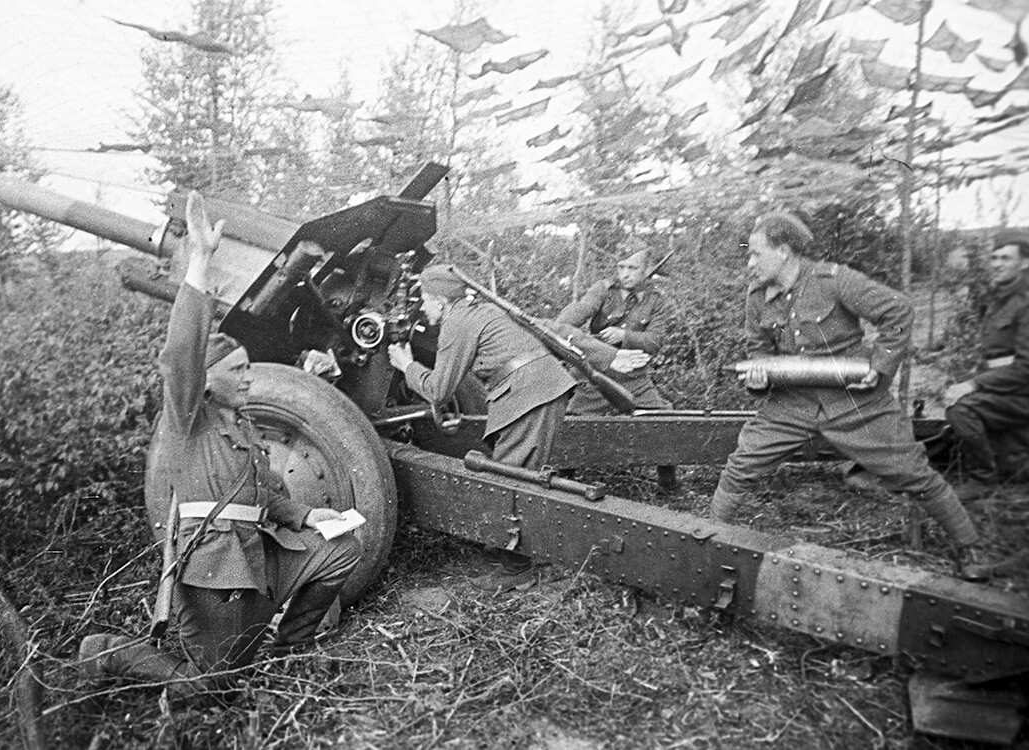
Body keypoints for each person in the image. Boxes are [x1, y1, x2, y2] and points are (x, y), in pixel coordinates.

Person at [77, 192, 360, 699]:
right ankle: (106, 651)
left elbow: (269, 494)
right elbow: (180, 353)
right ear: (207, 381)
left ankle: (292, 647)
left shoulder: (243, 426)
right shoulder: (190, 418)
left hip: (260, 555)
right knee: (214, 685)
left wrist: (307, 517)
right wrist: (200, 265)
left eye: (249, 368)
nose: (251, 379)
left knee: (340, 550)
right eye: (240, 371)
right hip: (214, 568)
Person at [708, 211, 994, 580]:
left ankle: (968, 548)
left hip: (855, 401)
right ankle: (711, 541)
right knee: (741, 465)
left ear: (783, 250)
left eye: (755, 253)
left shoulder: (834, 280)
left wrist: (880, 366)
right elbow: (757, 350)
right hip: (792, 404)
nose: (749, 263)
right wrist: (760, 377)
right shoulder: (758, 298)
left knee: (912, 473)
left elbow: (898, 311)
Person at [388, 264, 579, 470]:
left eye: (424, 300)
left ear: (440, 302)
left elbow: (438, 392)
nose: (422, 308)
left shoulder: (456, 322)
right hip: (545, 388)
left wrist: (407, 365)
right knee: (526, 474)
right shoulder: (484, 310)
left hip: (530, 394)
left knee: (512, 481)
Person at [556, 237, 677, 487]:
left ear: (646, 270)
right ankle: (565, 483)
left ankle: (668, 485)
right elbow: (565, 323)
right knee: (574, 425)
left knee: (664, 424)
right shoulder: (603, 290)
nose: (625, 274)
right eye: (621, 267)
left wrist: (625, 336)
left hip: (635, 378)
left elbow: (655, 341)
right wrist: (594, 346)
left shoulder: (657, 300)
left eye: (632, 268)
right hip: (595, 375)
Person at [944, 230, 1029, 491]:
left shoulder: (1025, 302)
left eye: (1005, 258)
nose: (997, 264)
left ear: (1025, 263)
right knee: (1015, 472)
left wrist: (973, 385)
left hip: (1021, 390)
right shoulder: (1003, 299)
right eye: (994, 258)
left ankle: (982, 479)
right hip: (1007, 388)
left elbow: (1025, 368)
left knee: (962, 410)